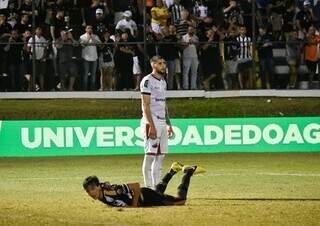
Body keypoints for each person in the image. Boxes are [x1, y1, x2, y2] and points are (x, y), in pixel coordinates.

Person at [83, 162, 206, 207]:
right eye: (88, 191)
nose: (91, 193)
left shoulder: (111, 190)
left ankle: (188, 172)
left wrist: (135, 204)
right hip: (147, 197)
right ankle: (173, 170)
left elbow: (135, 186)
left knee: (180, 201)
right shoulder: (101, 194)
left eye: (93, 188)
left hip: (146, 197)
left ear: (98, 186)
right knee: (159, 192)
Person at [140, 56, 174, 190]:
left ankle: (156, 188)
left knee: (160, 157)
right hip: (151, 122)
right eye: (160, 63)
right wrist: (151, 126)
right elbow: (145, 105)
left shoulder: (163, 82)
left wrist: (168, 124)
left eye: (164, 63)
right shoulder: (147, 81)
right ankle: (148, 188)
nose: (163, 65)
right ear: (153, 65)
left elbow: (163, 104)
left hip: (161, 122)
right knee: (149, 156)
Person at [79, 25, 101, 91]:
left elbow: (100, 45)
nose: (90, 29)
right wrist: (88, 38)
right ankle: (85, 89)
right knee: (85, 74)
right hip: (86, 58)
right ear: (85, 29)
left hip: (94, 57)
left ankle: (92, 89)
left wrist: (93, 38)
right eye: (88, 28)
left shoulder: (95, 36)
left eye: (91, 28)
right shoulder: (82, 37)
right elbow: (83, 46)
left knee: (93, 74)